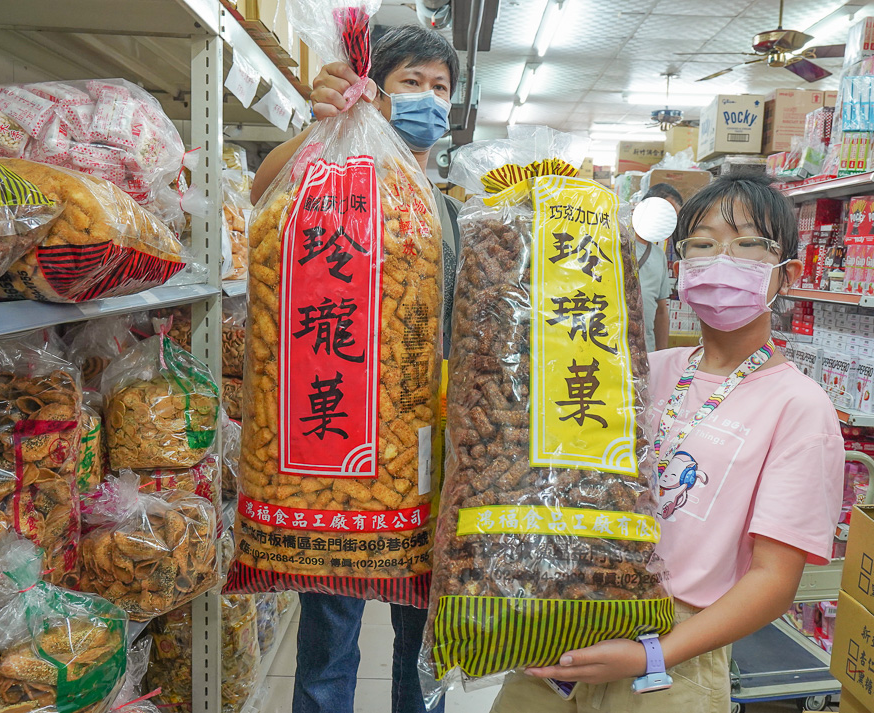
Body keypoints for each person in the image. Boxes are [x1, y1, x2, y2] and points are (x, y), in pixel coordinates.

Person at [490, 174, 845, 713]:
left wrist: (653, 656)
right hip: (570, 612)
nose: (720, 258)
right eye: (701, 244)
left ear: (787, 274)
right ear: (679, 268)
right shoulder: (641, 370)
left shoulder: (800, 407)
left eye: (747, 243)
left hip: (674, 656)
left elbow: (775, 580)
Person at [250, 24, 461, 713]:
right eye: (411, 83)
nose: (428, 100)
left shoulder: (451, 212)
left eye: (441, 88)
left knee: (419, 646)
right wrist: (324, 124)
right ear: (374, 91)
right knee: (329, 643)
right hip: (336, 453)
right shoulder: (329, 189)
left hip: (428, 458)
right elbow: (262, 191)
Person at [637, 183, 683, 352]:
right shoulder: (613, 243)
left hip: (643, 354)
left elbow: (661, 311)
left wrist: (662, 354)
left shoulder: (658, 256)